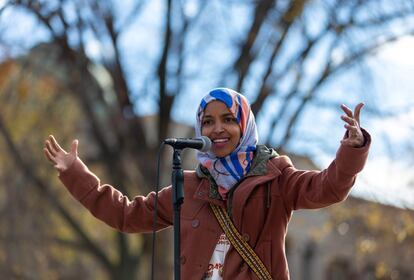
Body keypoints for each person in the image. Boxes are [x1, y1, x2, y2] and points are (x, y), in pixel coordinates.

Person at [44, 88, 371, 280]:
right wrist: (76, 172)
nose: (217, 129)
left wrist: (352, 149)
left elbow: (327, 187)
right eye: (208, 121)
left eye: (229, 119)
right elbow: (127, 215)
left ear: (245, 126)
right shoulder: (186, 186)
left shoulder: (276, 177)